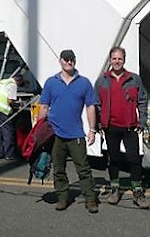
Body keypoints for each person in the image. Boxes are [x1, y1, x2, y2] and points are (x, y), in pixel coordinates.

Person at [37, 49, 99, 213]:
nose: (69, 62)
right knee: (58, 168)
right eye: (66, 59)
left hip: (76, 134)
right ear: (60, 61)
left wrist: (92, 130)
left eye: (72, 59)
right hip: (55, 133)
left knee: (83, 168)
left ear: (75, 61)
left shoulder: (84, 83)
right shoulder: (51, 82)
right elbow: (44, 106)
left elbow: (90, 106)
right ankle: (62, 197)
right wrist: (38, 130)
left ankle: (91, 199)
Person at [94, 46, 149, 209]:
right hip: (110, 127)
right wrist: (97, 123)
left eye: (120, 59)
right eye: (114, 58)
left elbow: (143, 101)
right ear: (110, 60)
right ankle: (114, 189)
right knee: (114, 159)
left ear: (124, 60)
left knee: (134, 160)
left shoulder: (134, 79)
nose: (117, 61)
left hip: (130, 127)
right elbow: (96, 104)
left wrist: (142, 121)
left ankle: (138, 192)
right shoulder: (102, 81)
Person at [0, 74, 24, 160]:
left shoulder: (4, 81)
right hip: (2, 110)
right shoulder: (13, 85)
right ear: (18, 81)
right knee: (8, 132)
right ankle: (9, 154)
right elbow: (10, 101)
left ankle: (0, 153)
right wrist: (18, 104)